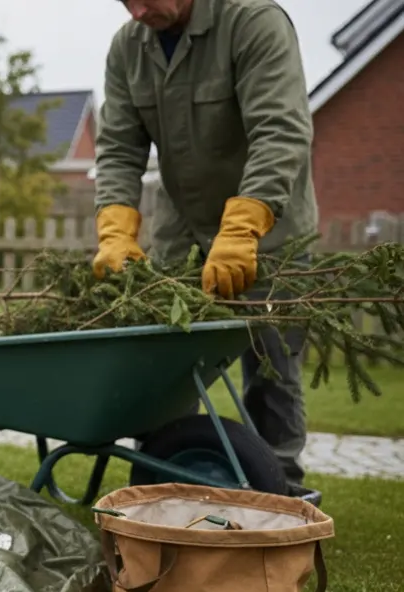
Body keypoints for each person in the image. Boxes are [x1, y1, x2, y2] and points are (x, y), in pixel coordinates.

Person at [91, 0, 320, 492]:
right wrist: (115, 230)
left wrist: (242, 229)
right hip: (182, 233)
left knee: (271, 369)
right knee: (164, 369)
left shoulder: (253, 22)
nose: (137, 12)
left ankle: (279, 493)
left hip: (268, 231)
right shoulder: (128, 48)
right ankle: (160, 481)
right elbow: (118, 148)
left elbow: (280, 131)